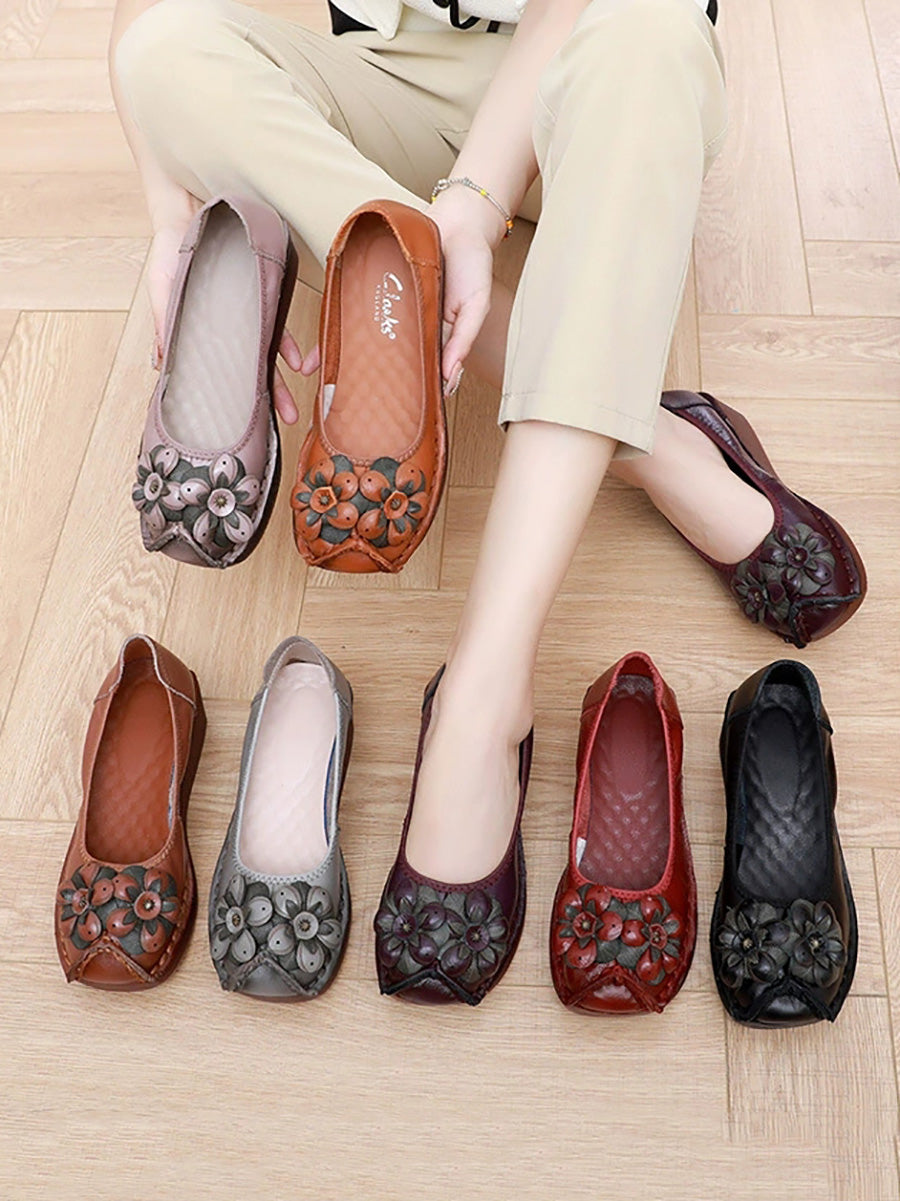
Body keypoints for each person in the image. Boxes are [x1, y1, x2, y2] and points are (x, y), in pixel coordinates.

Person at [108, 0, 796, 886]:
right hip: (392, 75)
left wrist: (473, 202)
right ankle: (648, 440)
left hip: (594, 79)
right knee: (162, 53)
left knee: (651, 24)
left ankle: (484, 693)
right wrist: (169, 208)